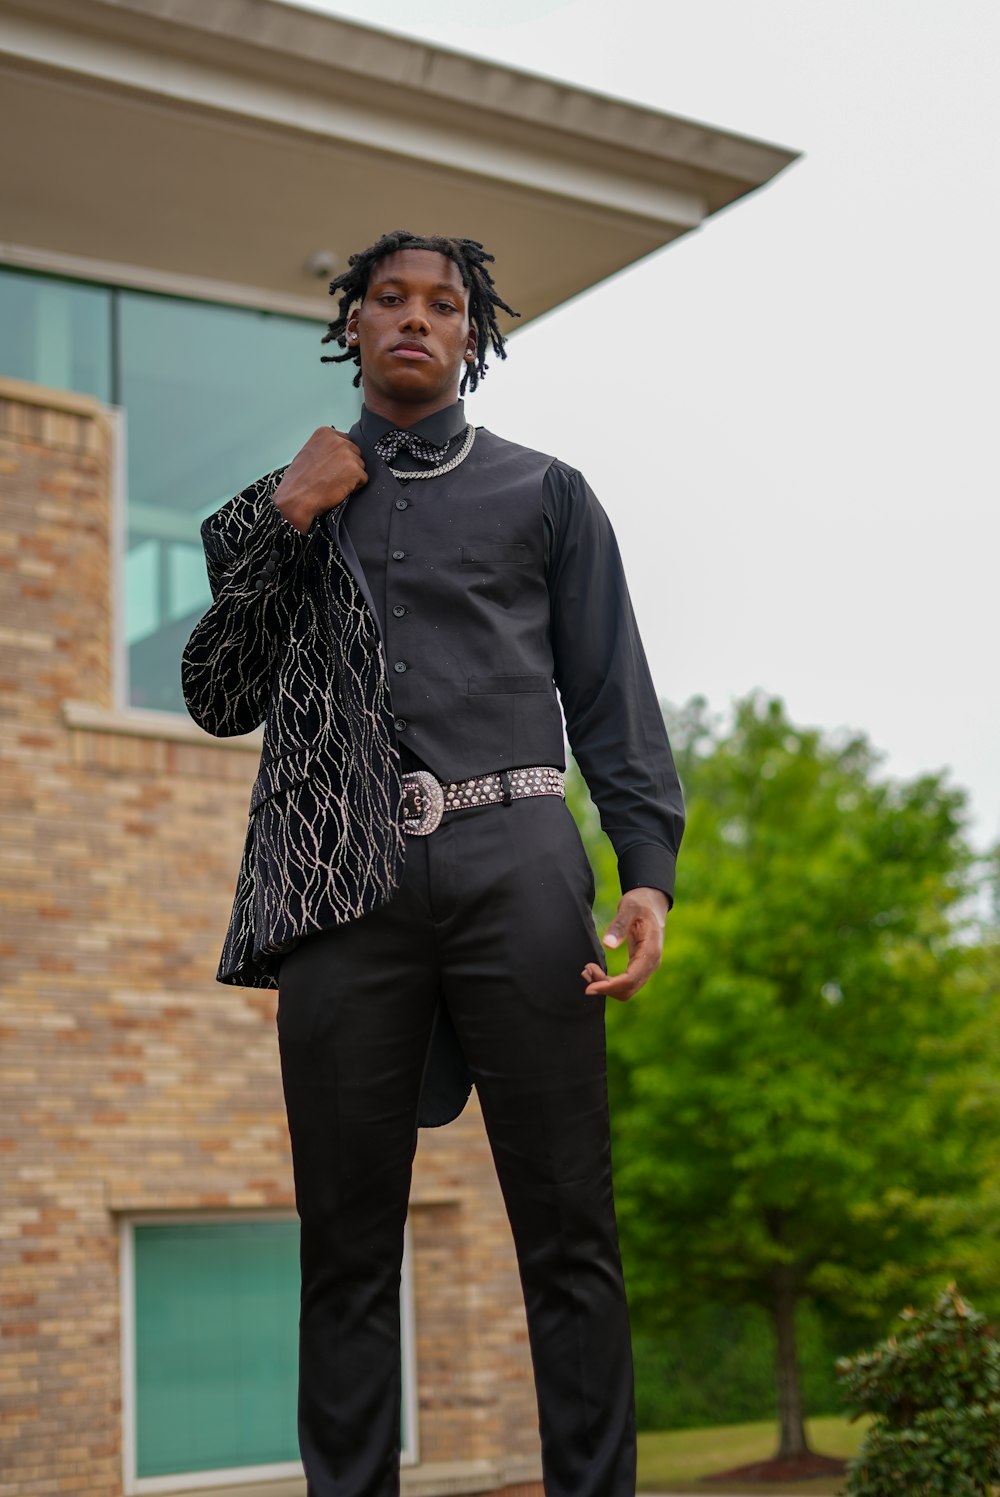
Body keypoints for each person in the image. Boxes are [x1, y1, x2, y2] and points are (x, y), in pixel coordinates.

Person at [182, 230, 684, 1497]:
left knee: (571, 1229)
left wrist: (644, 867)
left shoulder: (548, 493)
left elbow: (611, 691)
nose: (417, 317)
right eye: (390, 299)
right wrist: (292, 513)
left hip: (519, 866)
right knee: (345, 1247)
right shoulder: (278, 500)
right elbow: (217, 696)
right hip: (343, 892)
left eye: (445, 304)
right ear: (349, 324)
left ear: (475, 335)